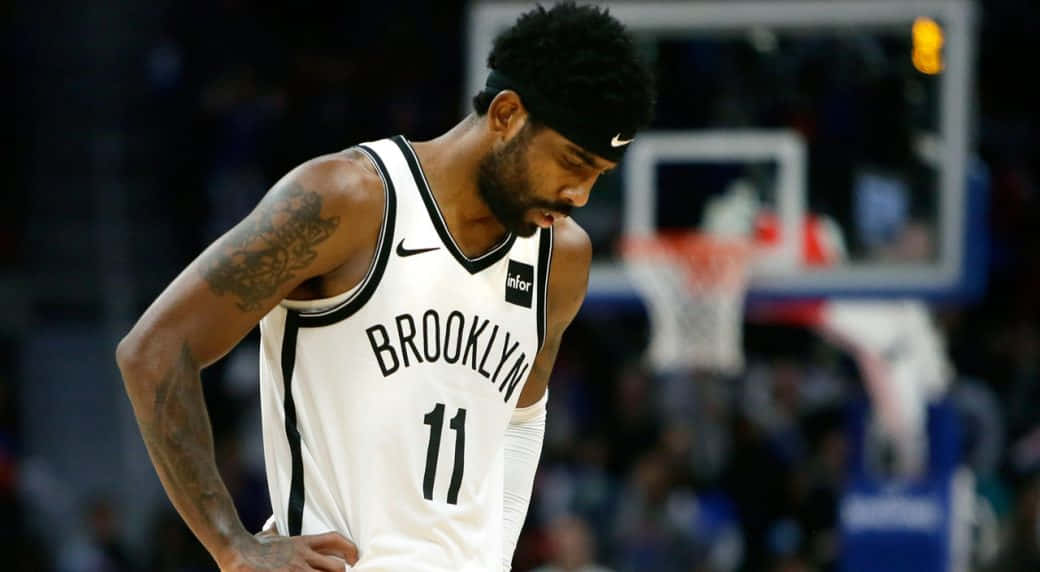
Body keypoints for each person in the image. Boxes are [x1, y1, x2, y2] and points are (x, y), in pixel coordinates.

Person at [116, 3, 655, 570]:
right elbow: (154, 350)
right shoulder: (349, 199)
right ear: (506, 114)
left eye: (598, 175)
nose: (580, 194)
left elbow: (521, 421)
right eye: (572, 163)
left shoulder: (561, 257)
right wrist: (232, 545)